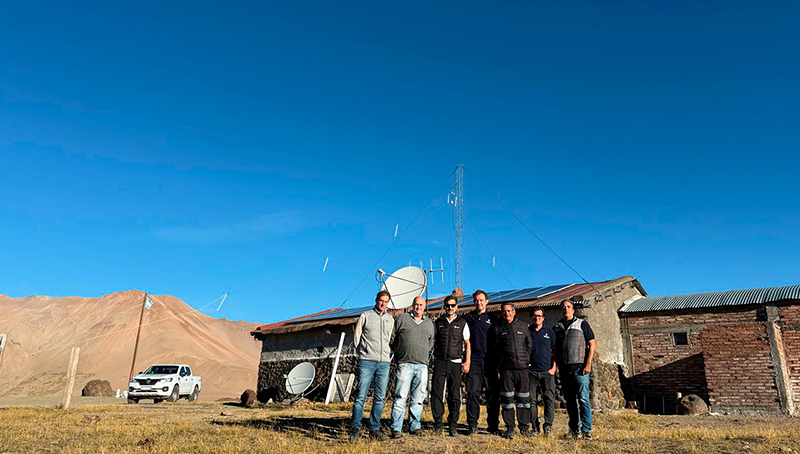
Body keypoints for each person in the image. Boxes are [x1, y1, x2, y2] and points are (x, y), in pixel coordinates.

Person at [350, 290, 395, 443]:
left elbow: (391, 339)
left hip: (384, 363)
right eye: (381, 300)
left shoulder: (390, 319)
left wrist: (388, 355)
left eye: (386, 301)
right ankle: (355, 428)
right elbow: (357, 336)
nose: (383, 304)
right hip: (367, 361)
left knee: (380, 397)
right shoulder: (366, 315)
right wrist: (362, 353)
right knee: (361, 396)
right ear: (376, 300)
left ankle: (374, 429)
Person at [389, 296, 435, 439]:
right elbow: (392, 338)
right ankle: (396, 428)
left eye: (421, 305)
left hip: (422, 365)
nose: (418, 307)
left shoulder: (429, 323)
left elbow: (430, 343)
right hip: (405, 364)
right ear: (412, 305)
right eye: (416, 304)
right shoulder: (402, 319)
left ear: (424, 306)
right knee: (400, 397)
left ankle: (414, 426)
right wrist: (399, 353)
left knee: (418, 398)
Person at [554, 299, 597, 440]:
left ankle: (586, 430)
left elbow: (592, 343)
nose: (565, 309)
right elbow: (555, 348)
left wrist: (588, 363)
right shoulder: (557, 327)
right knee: (570, 401)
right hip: (564, 369)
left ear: (573, 310)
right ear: (561, 310)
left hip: (580, 368)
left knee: (583, 399)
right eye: (563, 307)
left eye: (568, 307)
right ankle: (574, 430)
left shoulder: (582, 324)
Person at [489, 301, 532, 439]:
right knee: (507, 399)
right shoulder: (497, 328)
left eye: (508, 310)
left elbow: (529, 345)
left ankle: (524, 427)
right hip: (506, 370)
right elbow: (493, 349)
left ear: (514, 311)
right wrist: (500, 363)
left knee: (523, 399)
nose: (506, 313)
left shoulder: (523, 326)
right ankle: (510, 428)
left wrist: (525, 359)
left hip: (522, 369)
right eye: (504, 311)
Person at [431, 294, 471, 437]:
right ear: (444, 306)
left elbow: (467, 343)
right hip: (440, 362)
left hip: (455, 362)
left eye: (452, 305)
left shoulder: (462, 323)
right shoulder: (438, 323)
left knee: (454, 395)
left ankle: (453, 424)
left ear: (456, 307)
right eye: (447, 305)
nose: (450, 308)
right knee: (436, 393)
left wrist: (467, 361)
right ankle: (438, 424)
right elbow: (432, 341)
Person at [462, 289, 500, 435]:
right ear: (473, 302)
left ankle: (493, 425)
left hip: (490, 361)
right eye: (476, 300)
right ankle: (472, 424)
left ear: (486, 302)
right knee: (473, 393)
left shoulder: (493, 318)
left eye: (481, 300)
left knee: (493, 394)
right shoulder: (468, 318)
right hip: (474, 361)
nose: (479, 303)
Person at [527, 307, 556, 436]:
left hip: (547, 372)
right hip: (531, 372)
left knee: (549, 400)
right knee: (531, 401)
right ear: (531, 317)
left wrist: (554, 367)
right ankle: (535, 428)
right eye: (534, 316)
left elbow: (555, 351)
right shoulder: (527, 332)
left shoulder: (549, 332)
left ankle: (548, 426)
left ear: (543, 318)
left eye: (539, 316)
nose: (537, 318)